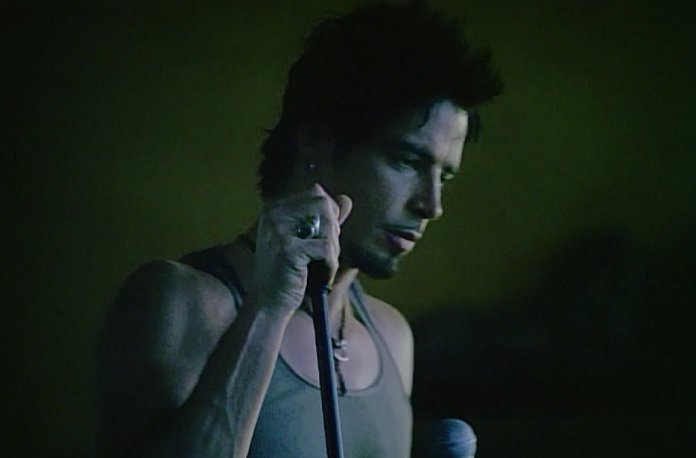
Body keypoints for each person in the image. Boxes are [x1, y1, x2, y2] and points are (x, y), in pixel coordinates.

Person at [96, 2, 502, 457]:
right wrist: (268, 309)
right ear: (317, 138)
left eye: (445, 177)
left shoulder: (393, 337)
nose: (432, 205)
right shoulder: (179, 301)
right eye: (407, 161)